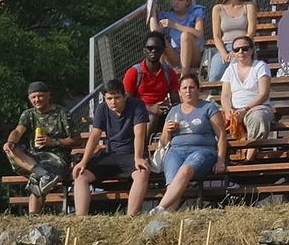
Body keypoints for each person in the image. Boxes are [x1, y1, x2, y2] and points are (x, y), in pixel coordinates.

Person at [72, 80, 150, 217]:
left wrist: (138, 157)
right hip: (111, 155)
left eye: (117, 98)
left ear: (125, 96)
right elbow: (95, 136)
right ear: (105, 98)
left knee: (142, 172)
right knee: (81, 175)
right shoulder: (102, 109)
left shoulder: (137, 105)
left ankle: (130, 217)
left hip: (131, 154)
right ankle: (81, 219)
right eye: (109, 98)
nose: (113, 102)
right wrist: (84, 161)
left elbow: (140, 133)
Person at [3, 81, 80, 216]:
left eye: (40, 96)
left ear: (48, 96)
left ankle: (33, 217)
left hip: (57, 159)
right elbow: (17, 131)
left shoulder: (62, 113)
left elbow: (77, 140)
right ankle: (42, 173)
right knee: (12, 149)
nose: (36, 100)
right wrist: (10, 142)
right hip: (34, 159)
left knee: (36, 179)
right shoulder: (28, 114)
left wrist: (53, 142)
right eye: (33, 97)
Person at [152, 76, 225, 214]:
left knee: (185, 170)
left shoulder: (208, 107)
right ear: (179, 92)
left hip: (203, 150)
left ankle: (160, 208)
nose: (188, 91)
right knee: (173, 181)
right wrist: (167, 130)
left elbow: (221, 135)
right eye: (184, 88)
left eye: (191, 87)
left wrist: (220, 160)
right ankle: (167, 216)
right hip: (176, 151)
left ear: (198, 90)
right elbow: (163, 141)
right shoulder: (174, 111)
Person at [218, 35, 276, 143]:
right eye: (236, 49)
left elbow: (263, 94)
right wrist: (228, 110)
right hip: (234, 110)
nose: (240, 51)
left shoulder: (261, 66)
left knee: (258, 118)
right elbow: (225, 96)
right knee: (213, 118)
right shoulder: (230, 70)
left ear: (251, 50)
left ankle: (250, 155)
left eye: (244, 48)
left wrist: (245, 110)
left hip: (256, 108)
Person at [205, 0, 257, 80]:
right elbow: (216, 36)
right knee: (214, 75)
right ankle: (213, 95)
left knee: (234, 71)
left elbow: (251, 31)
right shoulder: (218, 9)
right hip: (225, 46)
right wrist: (224, 53)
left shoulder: (249, 6)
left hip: (244, 47)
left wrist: (239, 49)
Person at [121, 32, 178, 125]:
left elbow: (176, 101)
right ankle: (143, 140)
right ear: (144, 50)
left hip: (162, 113)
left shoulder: (169, 73)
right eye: (149, 48)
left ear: (163, 50)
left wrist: (169, 108)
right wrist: (150, 108)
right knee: (151, 118)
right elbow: (127, 101)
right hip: (138, 114)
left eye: (157, 48)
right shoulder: (134, 72)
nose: (153, 51)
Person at [151, 0, 207, 77]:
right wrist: (152, 10)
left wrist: (174, 25)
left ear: (187, 2)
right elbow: (154, 33)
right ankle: (159, 76)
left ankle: (184, 76)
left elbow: (199, 32)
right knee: (158, 40)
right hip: (176, 56)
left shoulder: (196, 11)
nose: (176, 2)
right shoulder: (168, 16)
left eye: (180, 0)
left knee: (185, 35)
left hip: (194, 55)